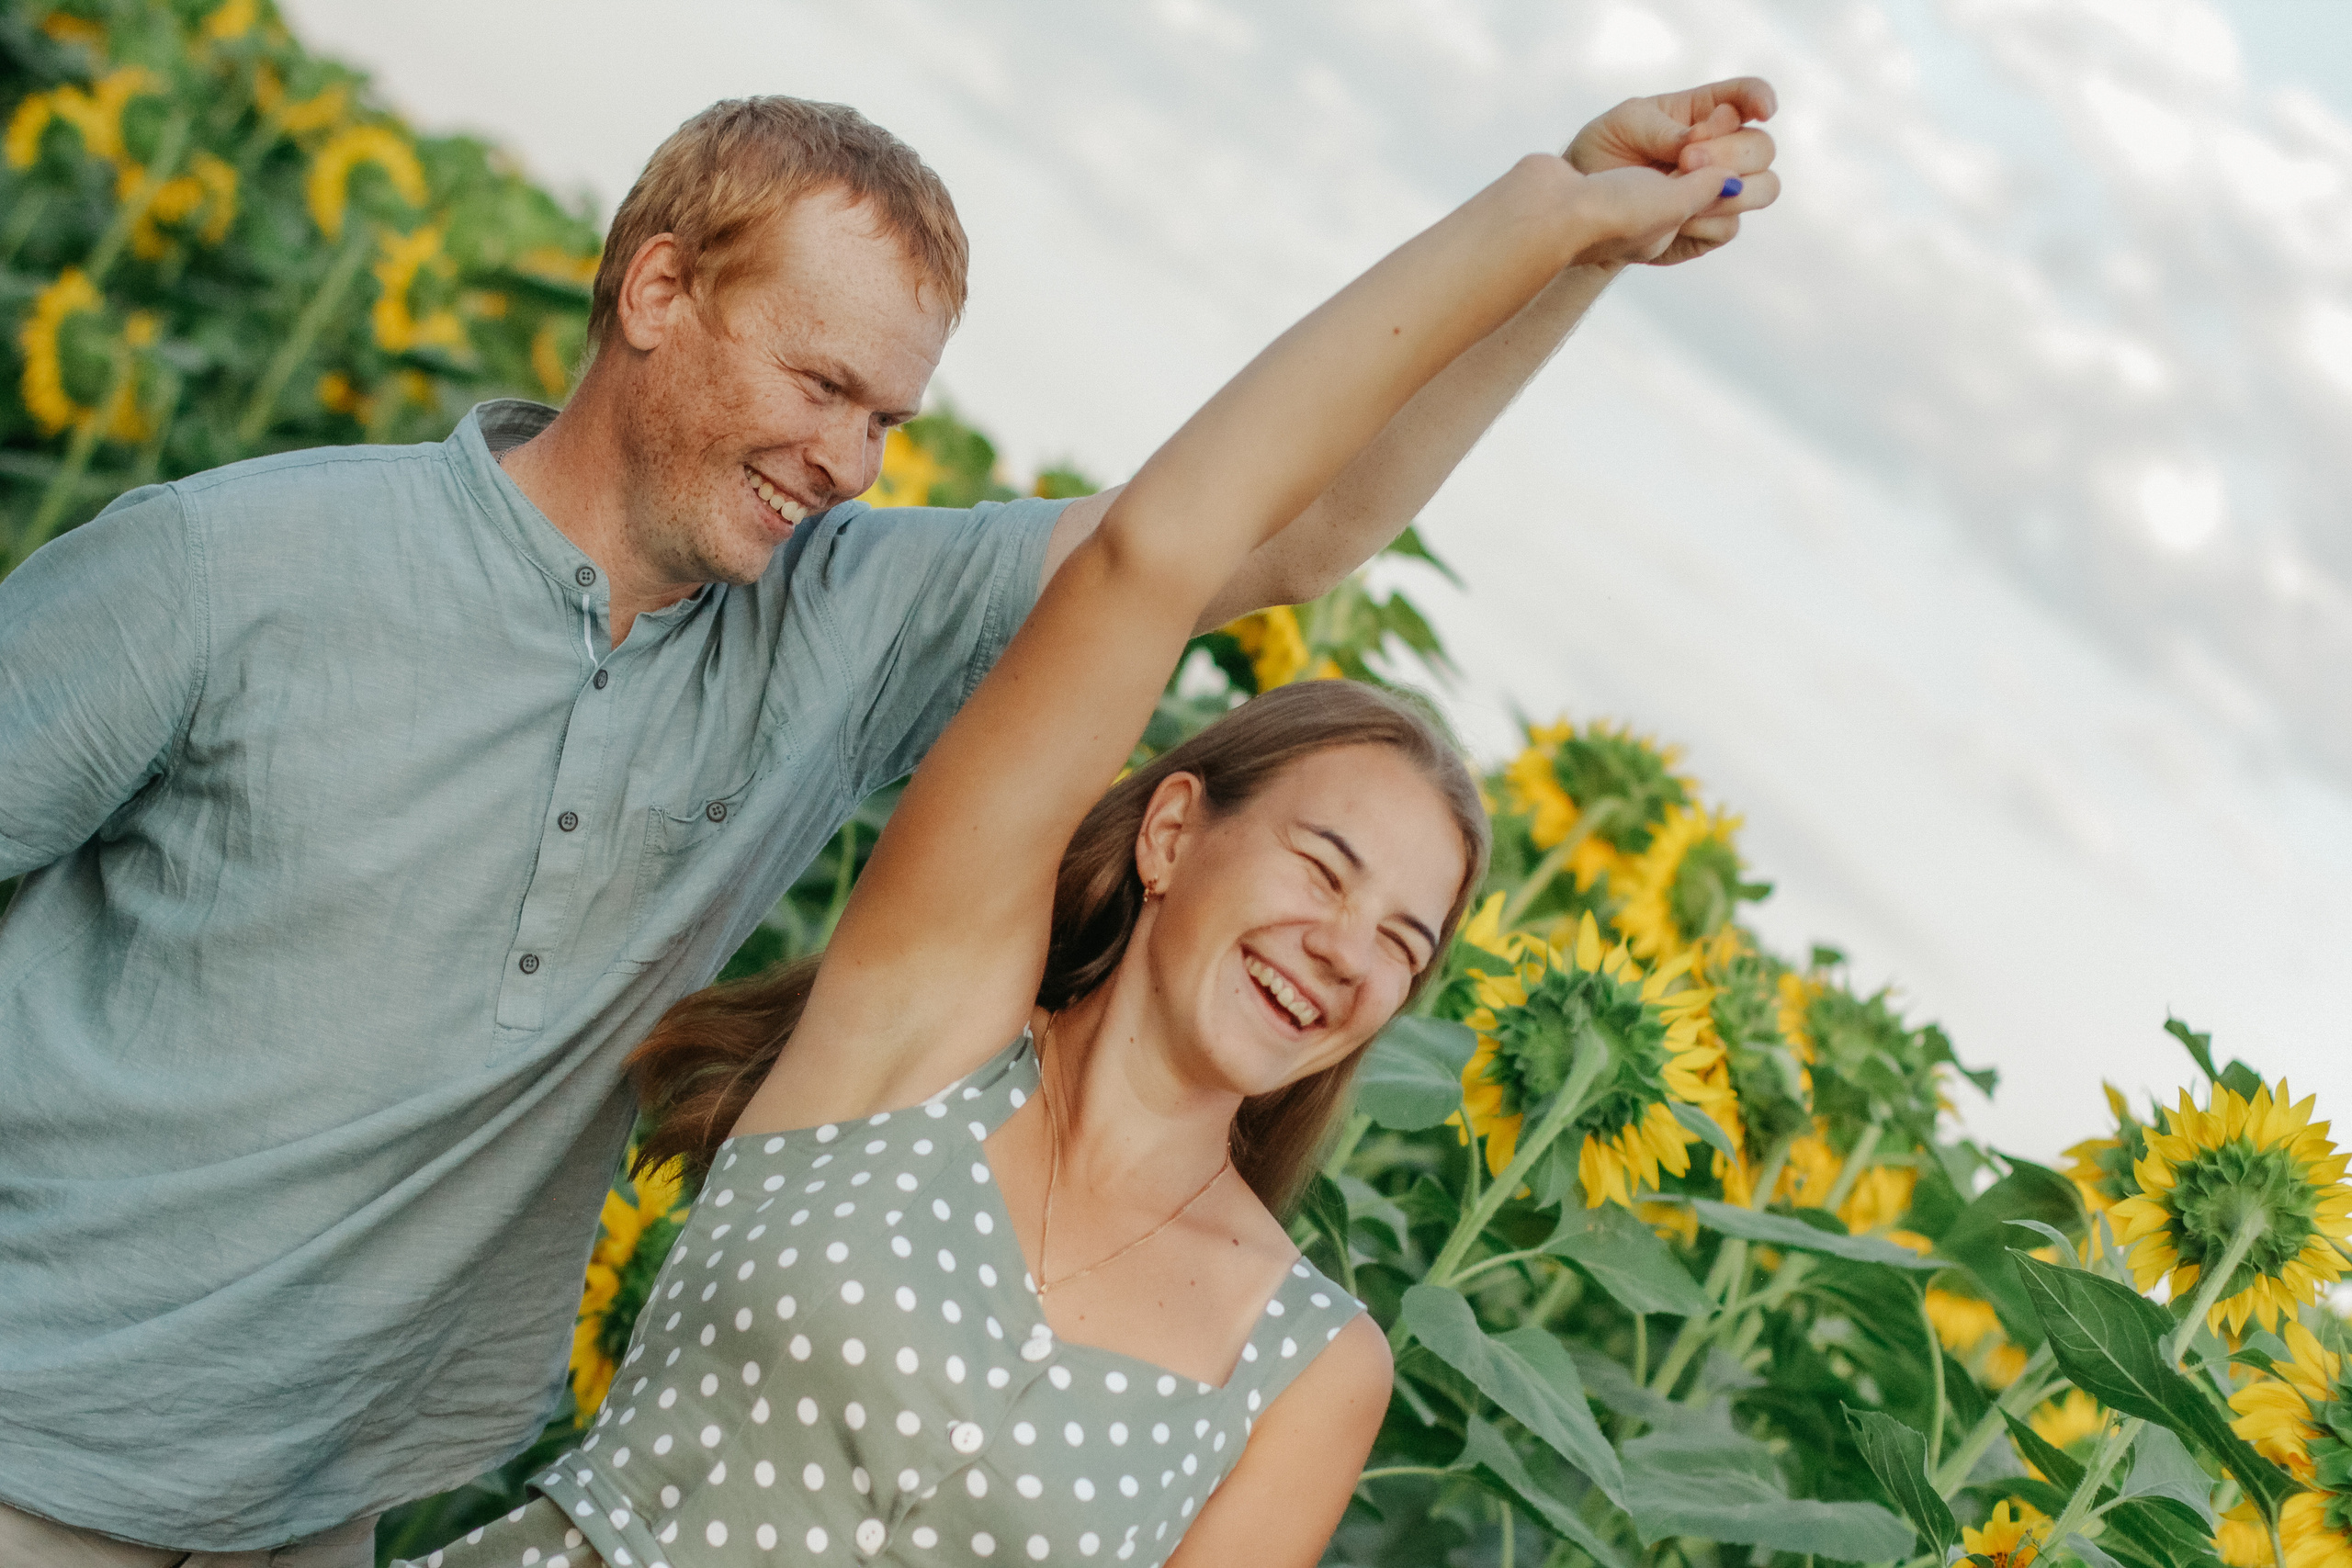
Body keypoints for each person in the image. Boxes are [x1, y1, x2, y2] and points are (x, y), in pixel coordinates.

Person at [0, 85, 1777, 1567]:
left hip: (316, 1512)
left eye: (888, 418)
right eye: (820, 385)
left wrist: (1582, 249)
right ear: (658, 288)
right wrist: (1534, 213)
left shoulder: (834, 618)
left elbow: (1268, 535)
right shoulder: (229, 567)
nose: (852, 462)